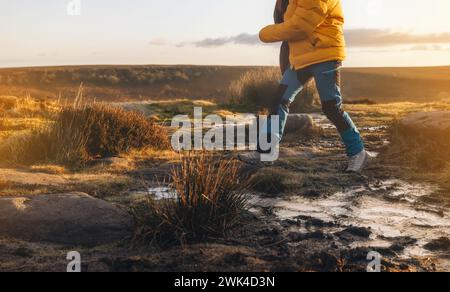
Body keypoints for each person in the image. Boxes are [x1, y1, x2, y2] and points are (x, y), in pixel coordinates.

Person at [241, 0, 369, 173]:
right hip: (301, 59)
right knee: (279, 100)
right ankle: (266, 151)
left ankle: (358, 152)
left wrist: (266, 33)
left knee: (331, 107)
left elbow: (300, 26)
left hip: (324, 56)